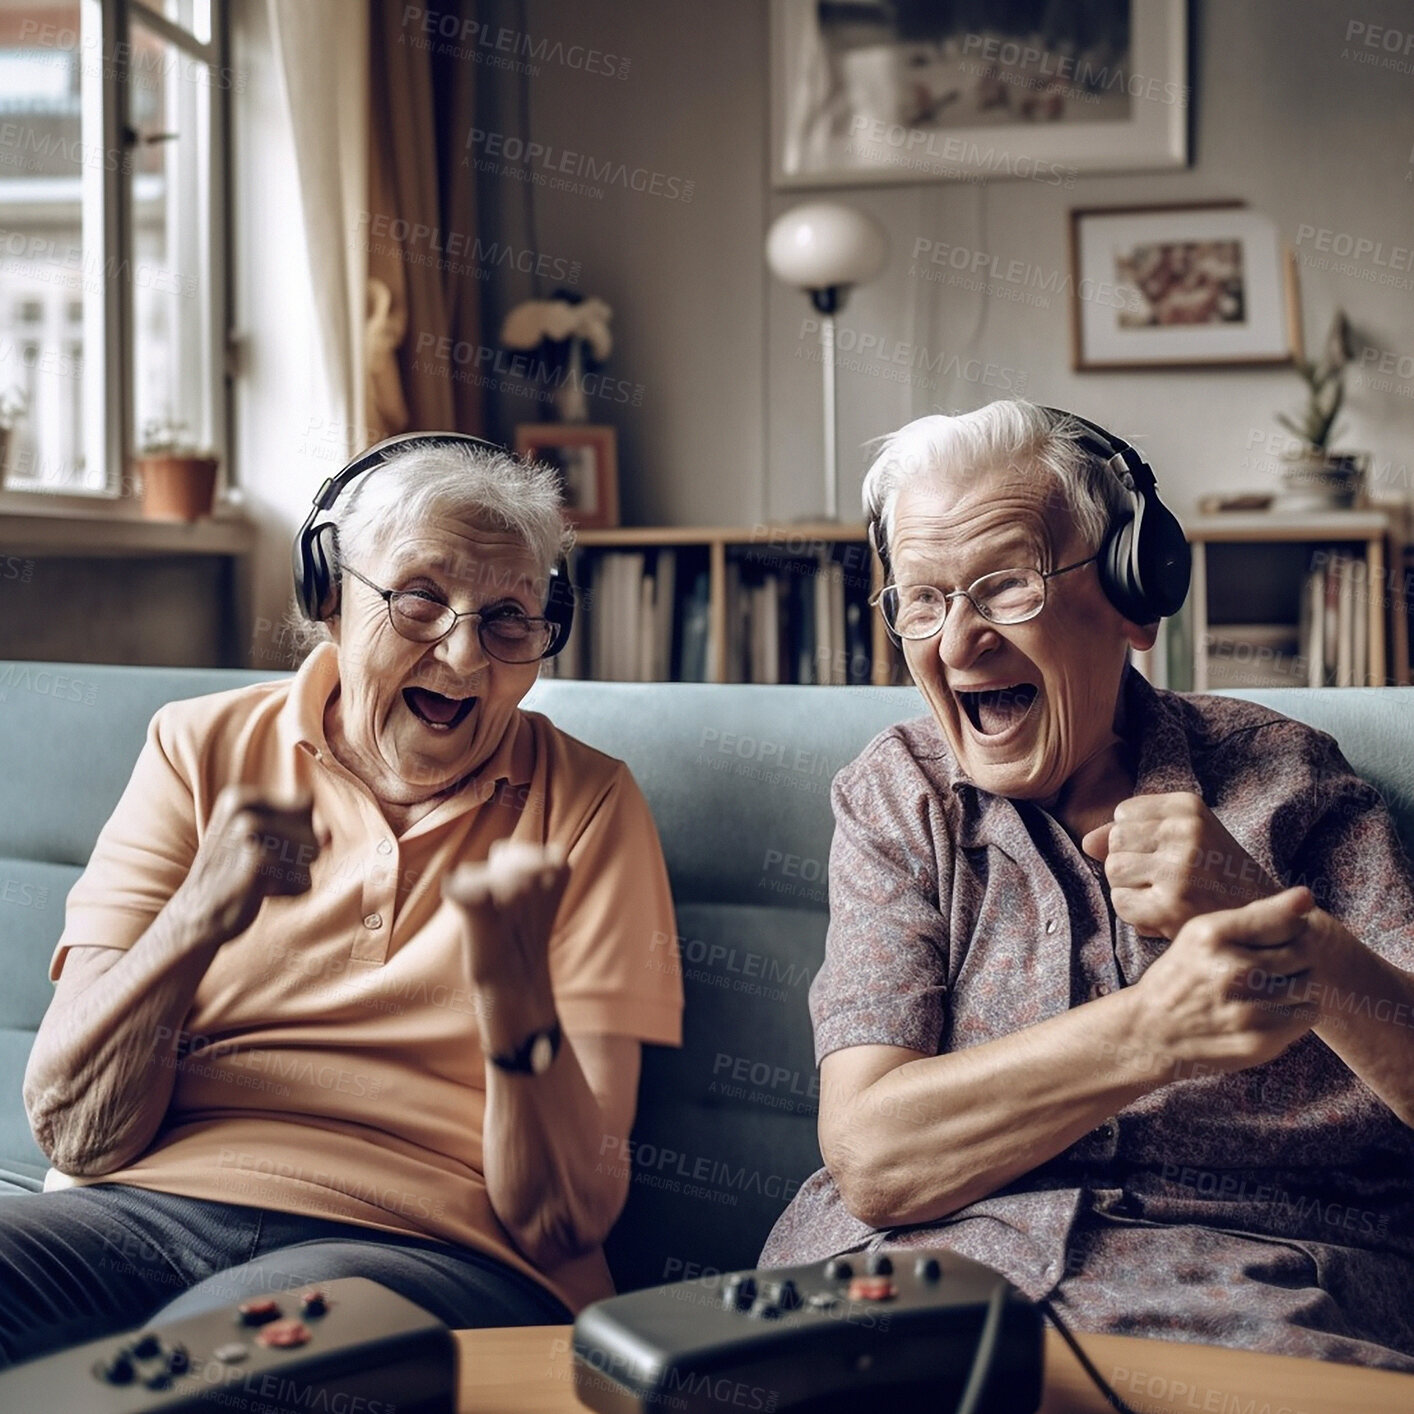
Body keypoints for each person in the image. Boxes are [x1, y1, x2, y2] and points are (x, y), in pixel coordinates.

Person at [760, 400, 1414, 1369]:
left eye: (1002, 587)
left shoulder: (1286, 778)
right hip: (913, 1291)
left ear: (1132, 594)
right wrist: (1149, 1032)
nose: (955, 641)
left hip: (1250, 1293)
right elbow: (875, 1159)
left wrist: (1289, 939)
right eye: (923, 598)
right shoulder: (898, 793)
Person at [7, 433, 682, 1366]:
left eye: (507, 619)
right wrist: (197, 917)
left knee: (207, 1366)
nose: (463, 653)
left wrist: (515, 991)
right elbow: (77, 1128)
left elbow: (567, 1220)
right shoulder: (192, 749)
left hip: (432, 1249)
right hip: (141, 1207)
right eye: (419, 599)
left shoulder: (588, 805)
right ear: (327, 593)